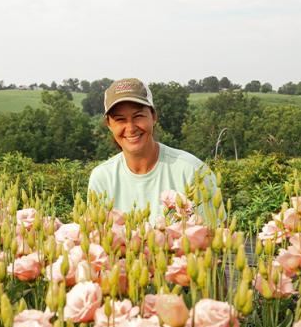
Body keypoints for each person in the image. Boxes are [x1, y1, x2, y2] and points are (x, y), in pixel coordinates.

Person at [88, 78, 220, 224]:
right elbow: (96, 238)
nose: (131, 128)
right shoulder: (102, 178)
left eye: (138, 116)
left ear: (153, 116)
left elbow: (217, 237)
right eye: (120, 119)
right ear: (109, 124)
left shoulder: (191, 171)